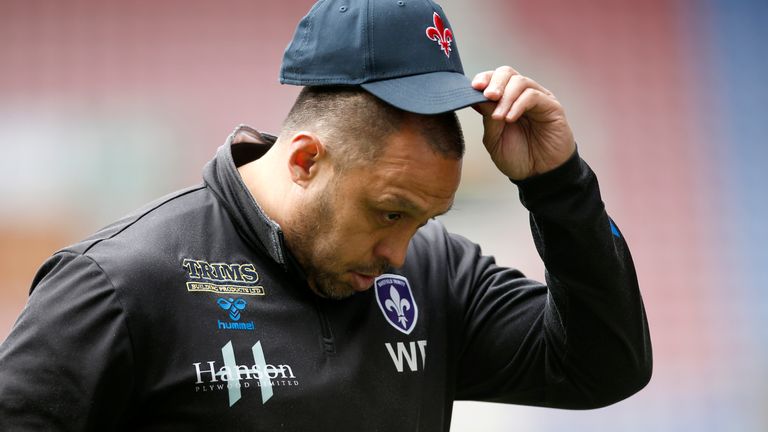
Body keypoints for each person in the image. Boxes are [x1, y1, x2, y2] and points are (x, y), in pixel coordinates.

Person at [0, 0, 652, 430]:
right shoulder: (121, 284)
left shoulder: (439, 276)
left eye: (424, 218)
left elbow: (603, 367)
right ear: (306, 160)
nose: (400, 251)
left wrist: (558, 188)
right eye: (389, 212)